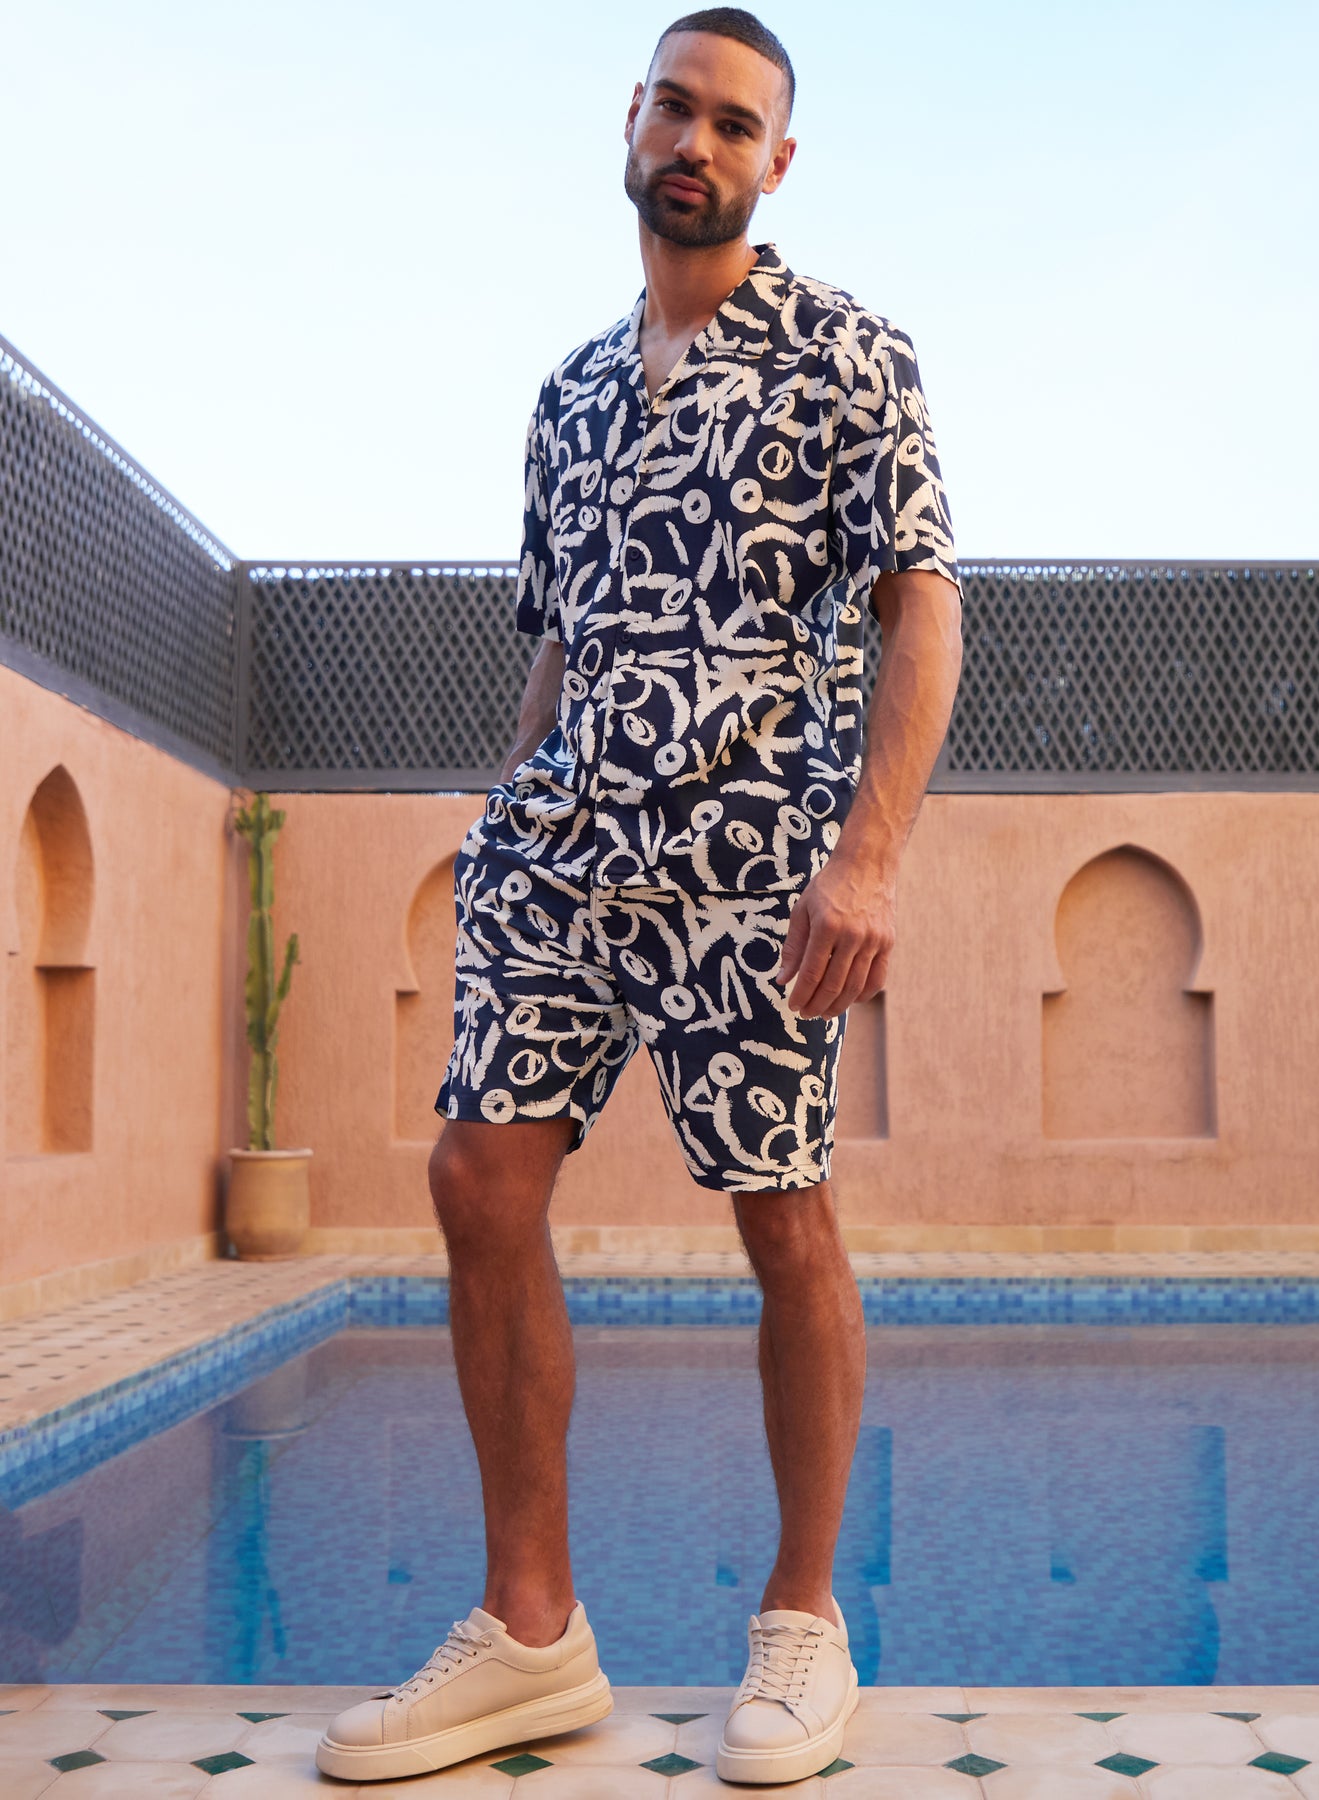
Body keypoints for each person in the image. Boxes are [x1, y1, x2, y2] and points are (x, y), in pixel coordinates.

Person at [317, 5, 963, 1787]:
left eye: (733, 124)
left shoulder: (848, 353)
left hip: (755, 857)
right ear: (630, 120)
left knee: (779, 1213)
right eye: (675, 108)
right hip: (561, 846)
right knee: (476, 1176)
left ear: (776, 162)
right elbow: (557, 636)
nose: (697, 143)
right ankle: (532, 1631)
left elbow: (920, 604)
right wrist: (506, 804)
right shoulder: (570, 395)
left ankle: (804, 1617)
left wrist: (870, 853)